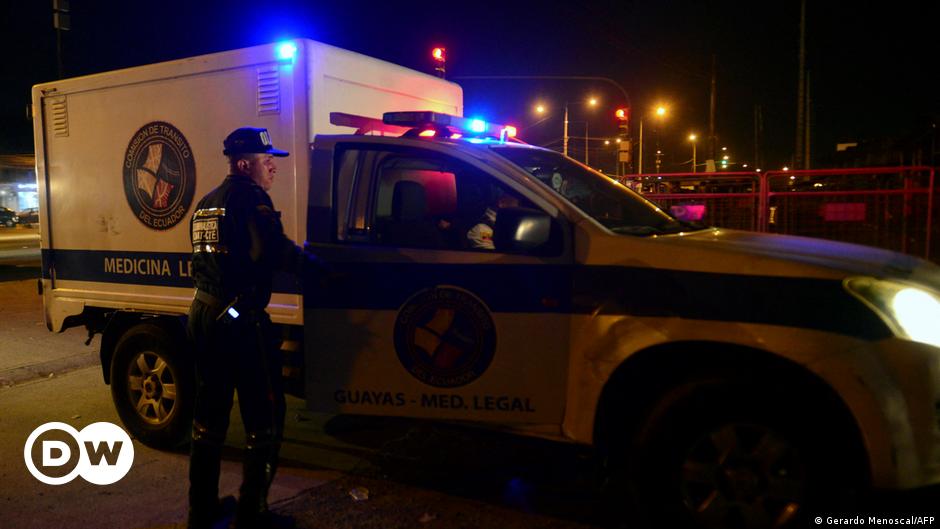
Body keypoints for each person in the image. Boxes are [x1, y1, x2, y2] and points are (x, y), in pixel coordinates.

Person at [187, 127, 322, 529]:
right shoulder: (251, 199)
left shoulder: (207, 204)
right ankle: (252, 513)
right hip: (240, 322)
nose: (274, 169)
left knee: (208, 419)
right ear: (245, 165)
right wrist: (329, 275)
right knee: (265, 416)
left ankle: (202, 511)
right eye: (268, 161)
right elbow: (277, 252)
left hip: (205, 315)